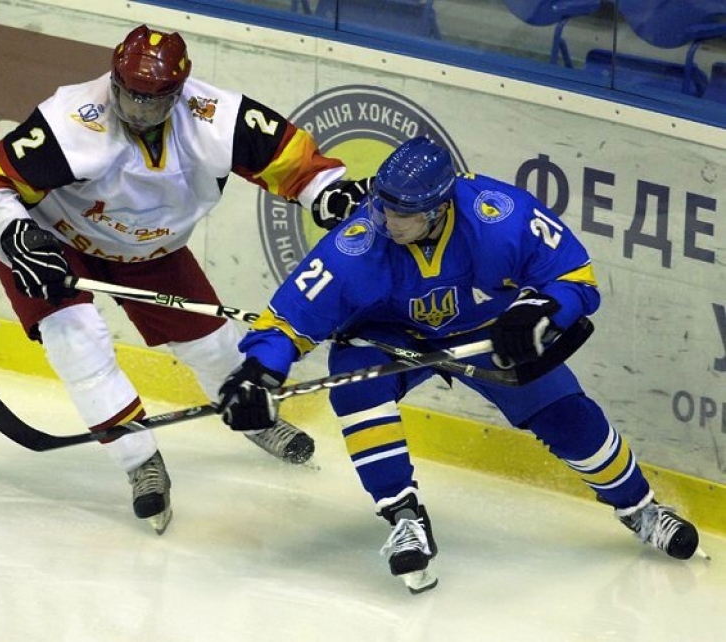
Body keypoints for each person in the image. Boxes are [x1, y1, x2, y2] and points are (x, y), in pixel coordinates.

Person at [217, 136, 701, 593]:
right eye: (382, 205)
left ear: (439, 207)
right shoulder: (358, 243)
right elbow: (286, 322)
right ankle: (404, 519)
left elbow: (576, 277)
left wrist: (542, 310)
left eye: (402, 213)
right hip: (388, 336)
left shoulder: (498, 215)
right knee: (355, 389)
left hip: (486, 329)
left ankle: (640, 510)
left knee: (567, 413)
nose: (386, 220)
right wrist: (259, 373)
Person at [0, 24, 370, 535]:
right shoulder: (69, 119)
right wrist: (16, 237)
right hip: (53, 245)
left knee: (218, 350)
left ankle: (257, 420)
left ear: (178, 92)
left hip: (152, 251)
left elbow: (297, 164)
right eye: (128, 95)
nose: (136, 111)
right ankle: (139, 463)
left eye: (152, 101)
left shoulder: (218, 117)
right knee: (78, 345)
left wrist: (325, 193)